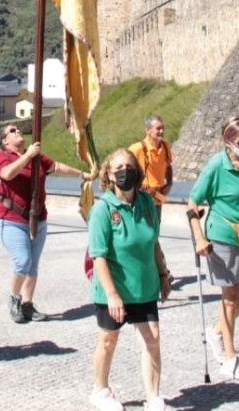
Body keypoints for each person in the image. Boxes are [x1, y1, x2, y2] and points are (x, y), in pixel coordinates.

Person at [186, 116, 239, 382]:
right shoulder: (216, 166)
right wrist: (199, 238)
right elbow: (192, 203)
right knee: (231, 297)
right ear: (228, 143)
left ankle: (218, 331)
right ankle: (229, 359)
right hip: (222, 235)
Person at [87, 148, 171, 411]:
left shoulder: (147, 203)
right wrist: (112, 295)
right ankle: (100, 390)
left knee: (152, 337)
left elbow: (154, 243)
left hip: (144, 285)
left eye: (130, 166)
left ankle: (153, 396)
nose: (125, 171)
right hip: (114, 287)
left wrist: (163, 274)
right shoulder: (102, 209)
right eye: (119, 168)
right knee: (109, 339)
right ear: (109, 175)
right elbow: (98, 256)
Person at [0, 123, 88, 323]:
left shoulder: (35, 157)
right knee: (23, 260)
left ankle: (28, 304)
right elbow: (7, 174)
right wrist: (27, 156)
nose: (17, 131)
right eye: (12, 131)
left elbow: (57, 166)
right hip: (11, 219)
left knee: (33, 265)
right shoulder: (2, 158)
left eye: (17, 129)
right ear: (4, 141)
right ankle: (14, 299)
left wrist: (82, 174)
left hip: (37, 218)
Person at [129, 115, 174, 221]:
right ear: (148, 130)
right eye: (158, 128)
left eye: (163, 128)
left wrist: (169, 182)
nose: (162, 131)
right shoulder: (137, 148)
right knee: (142, 232)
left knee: (155, 231)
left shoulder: (165, 147)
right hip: (141, 199)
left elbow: (168, 165)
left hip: (157, 198)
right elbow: (125, 168)